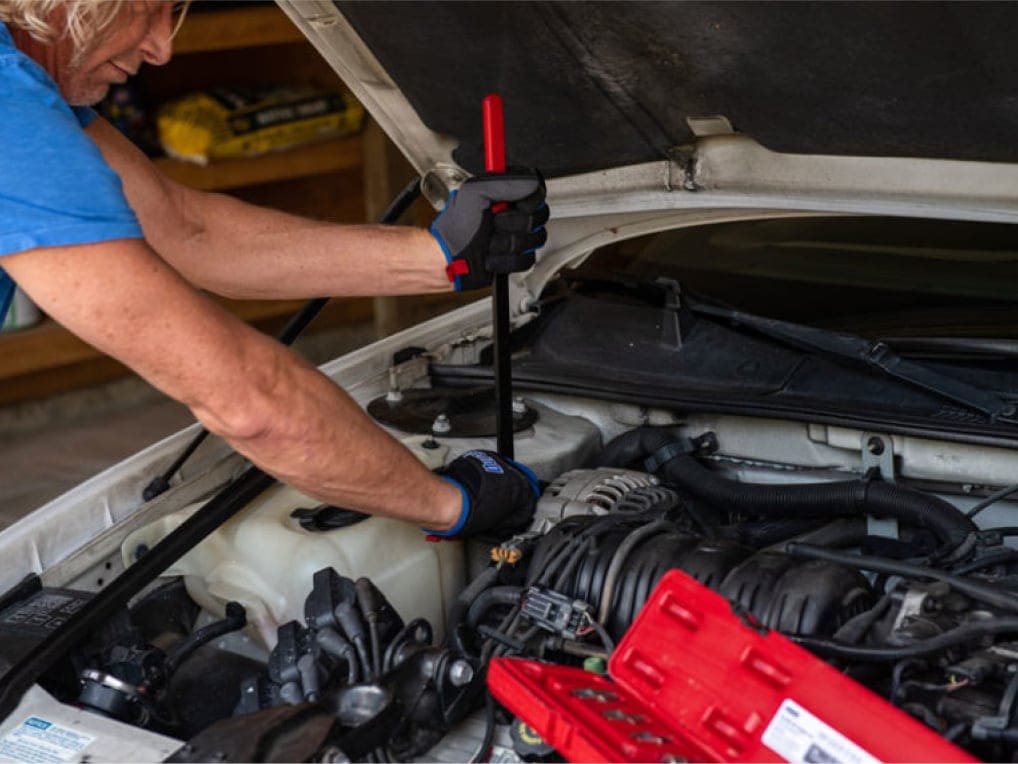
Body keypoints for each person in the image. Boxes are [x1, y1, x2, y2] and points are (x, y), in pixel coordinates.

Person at [0, 0, 549, 537]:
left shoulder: (32, 84)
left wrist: (444, 254)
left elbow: (190, 230)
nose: (162, 48)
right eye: (148, 8)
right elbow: (247, 400)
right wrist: (454, 503)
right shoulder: (10, 111)